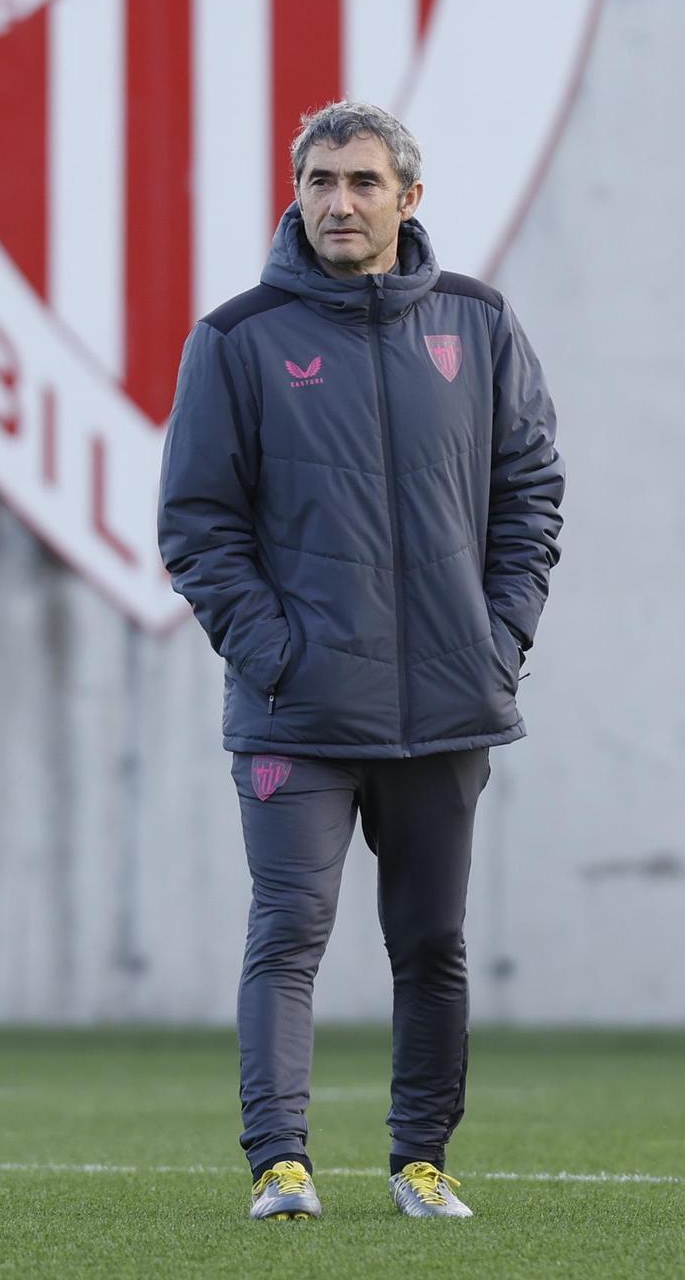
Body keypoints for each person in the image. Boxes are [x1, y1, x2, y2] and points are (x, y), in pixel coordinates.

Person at [158, 101, 564, 1223]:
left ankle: (420, 1161)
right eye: (322, 180)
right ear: (296, 193)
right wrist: (274, 653)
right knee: (288, 934)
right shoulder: (238, 338)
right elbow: (197, 522)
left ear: (408, 199)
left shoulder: (478, 325)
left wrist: (499, 638)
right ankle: (279, 1165)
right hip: (297, 711)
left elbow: (530, 492)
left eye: (364, 182)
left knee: (430, 942)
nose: (341, 201)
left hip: (446, 705)